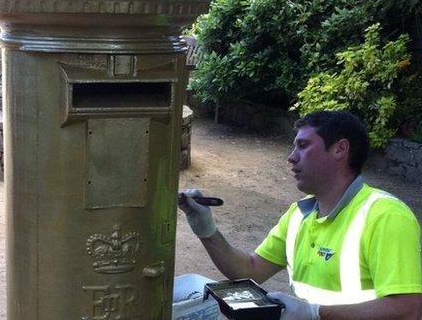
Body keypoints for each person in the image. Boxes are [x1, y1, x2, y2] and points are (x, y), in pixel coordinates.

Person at [180, 110, 422, 319]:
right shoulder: (299, 214)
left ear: (340, 149)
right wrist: (207, 230)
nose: (291, 157)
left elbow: (408, 311)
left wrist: (315, 313)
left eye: (304, 146)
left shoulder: (386, 216)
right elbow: (250, 270)